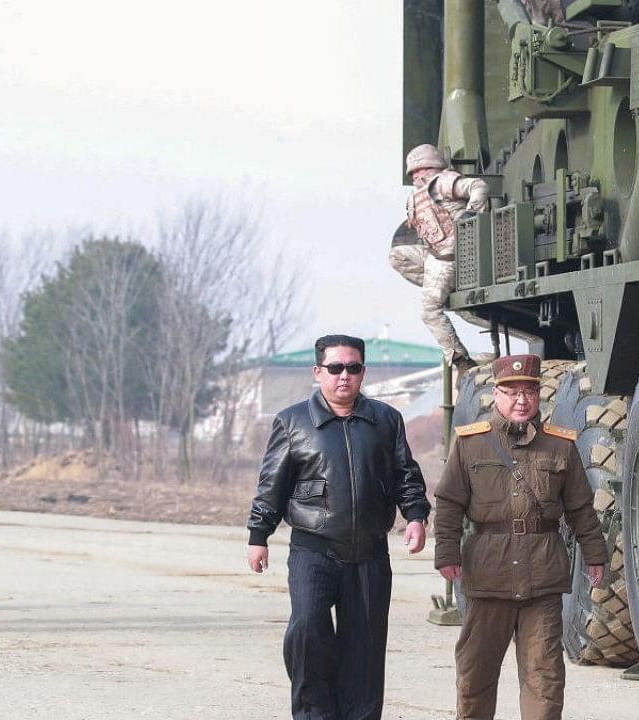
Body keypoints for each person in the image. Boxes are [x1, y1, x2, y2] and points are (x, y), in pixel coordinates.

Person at [247, 334, 430, 720]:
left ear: (363, 371)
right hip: (313, 549)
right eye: (335, 368)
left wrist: (415, 515)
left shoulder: (385, 419)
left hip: (369, 552)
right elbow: (271, 484)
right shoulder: (293, 421)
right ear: (318, 372)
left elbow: (405, 475)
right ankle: (315, 713)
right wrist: (258, 535)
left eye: (353, 367)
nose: (344, 376)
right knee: (307, 630)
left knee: (364, 646)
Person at [433, 354, 607, 720]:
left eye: (528, 391)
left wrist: (594, 553)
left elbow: (580, 507)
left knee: (544, 679)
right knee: (475, 675)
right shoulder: (470, 444)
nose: (521, 400)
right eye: (511, 391)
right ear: (495, 394)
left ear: (538, 395)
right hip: (487, 577)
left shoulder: (560, 446)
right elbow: (449, 503)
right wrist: (446, 552)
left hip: (542, 577)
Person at [397, 143, 489, 378]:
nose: (417, 175)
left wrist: (472, 213)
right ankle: (442, 289)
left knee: (429, 310)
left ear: (435, 166)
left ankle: (460, 358)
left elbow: (478, 186)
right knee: (397, 256)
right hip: (434, 255)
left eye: (422, 169)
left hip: (451, 256)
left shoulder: (444, 182)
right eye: (413, 172)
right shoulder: (416, 197)